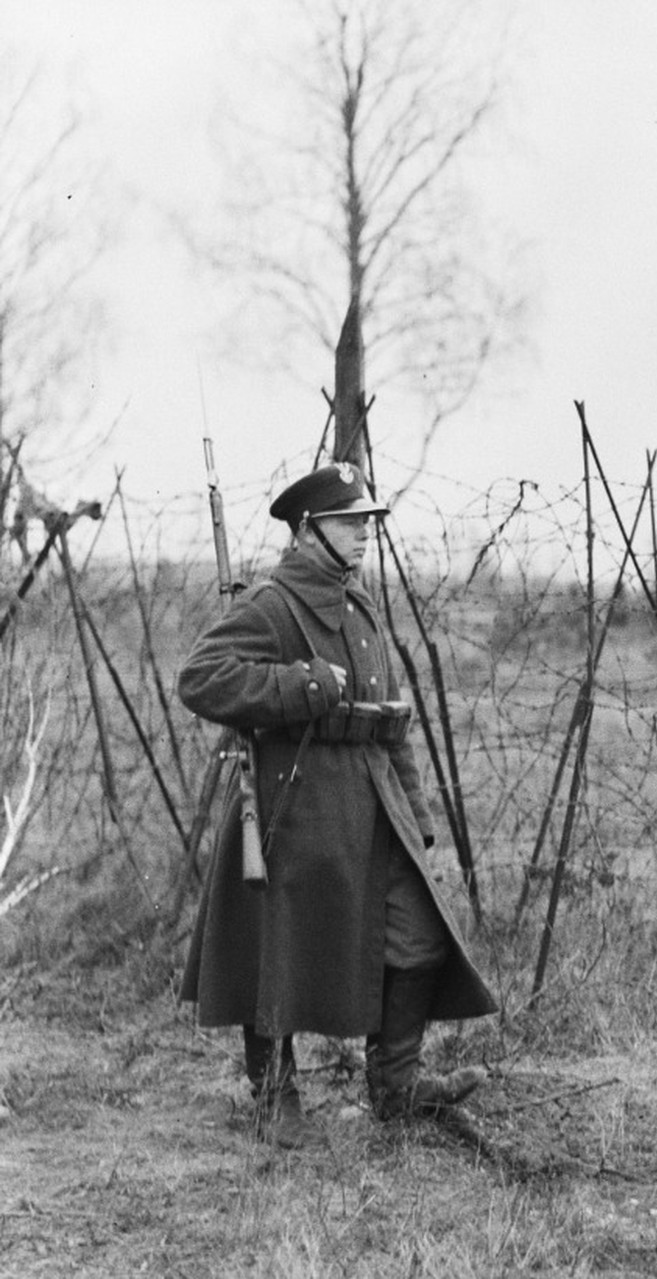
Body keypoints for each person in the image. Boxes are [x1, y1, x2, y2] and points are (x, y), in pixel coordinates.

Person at [177, 461, 498, 1148]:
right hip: (299, 802)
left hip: (371, 798)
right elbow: (200, 677)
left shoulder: (359, 606)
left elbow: (389, 718)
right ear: (306, 530)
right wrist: (297, 685)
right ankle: (274, 1094)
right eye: (349, 523)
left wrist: (413, 810)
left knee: (417, 932)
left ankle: (398, 1082)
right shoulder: (273, 606)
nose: (363, 535)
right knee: (278, 950)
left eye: (366, 522)